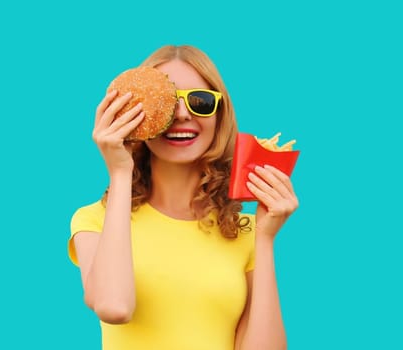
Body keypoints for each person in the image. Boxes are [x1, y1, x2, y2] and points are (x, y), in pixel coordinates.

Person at [67, 44, 298, 350]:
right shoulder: (95, 219)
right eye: (166, 101)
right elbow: (114, 307)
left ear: (219, 115)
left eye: (200, 101)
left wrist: (265, 239)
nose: (182, 114)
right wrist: (120, 172)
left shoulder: (244, 230)